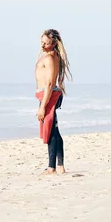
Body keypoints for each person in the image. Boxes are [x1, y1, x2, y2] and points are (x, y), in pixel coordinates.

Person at [35, 29, 73, 175]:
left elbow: (50, 83)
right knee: (54, 131)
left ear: (54, 43)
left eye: (46, 43)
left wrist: (43, 107)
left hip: (48, 95)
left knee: (50, 131)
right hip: (46, 95)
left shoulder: (51, 57)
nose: (43, 45)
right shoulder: (49, 55)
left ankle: (51, 168)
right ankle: (60, 166)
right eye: (42, 42)